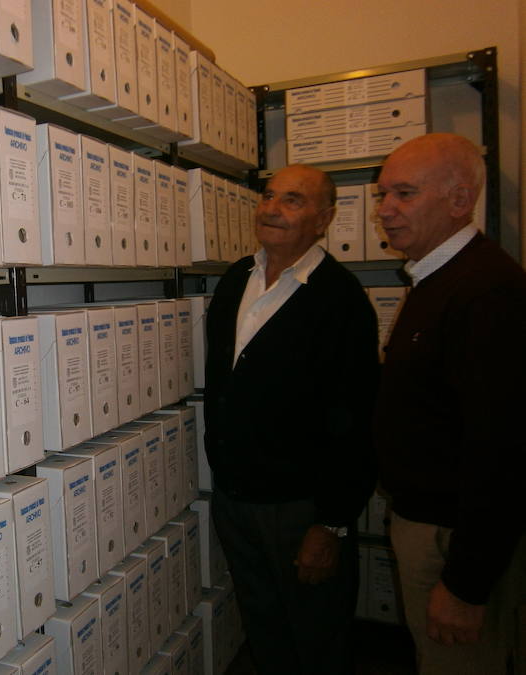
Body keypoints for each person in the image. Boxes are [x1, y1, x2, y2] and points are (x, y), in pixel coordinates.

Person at [204, 164, 379, 675]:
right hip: (237, 498)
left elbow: (356, 420)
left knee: (318, 637)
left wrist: (329, 523)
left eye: (293, 201)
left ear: (323, 219)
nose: (273, 209)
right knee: (265, 630)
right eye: (268, 196)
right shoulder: (237, 278)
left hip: (302, 510)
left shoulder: (340, 299)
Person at [374, 132, 526, 674]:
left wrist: (464, 585)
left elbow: (503, 451)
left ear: (460, 201)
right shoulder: (437, 279)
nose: (385, 211)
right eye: (382, 194)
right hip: (430, 526)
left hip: (450, 540)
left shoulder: (486, 290)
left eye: (405, 194)